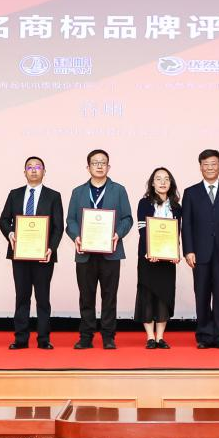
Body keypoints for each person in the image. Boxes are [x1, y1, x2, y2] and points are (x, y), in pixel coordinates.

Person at [65, 149, 133, 350]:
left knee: (109, 297)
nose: (99, 166)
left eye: (103, 162)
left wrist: (118, 234)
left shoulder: (118, 190)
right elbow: (70, 220)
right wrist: (76, 236)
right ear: (88, 167)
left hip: (111, 252)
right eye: (95, 163)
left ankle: (108, 336)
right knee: (86, 297)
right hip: (85, 254)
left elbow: (127, 218)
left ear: (108, 167)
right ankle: (86, 336)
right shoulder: (78, 192)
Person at [0, 156, 64, 350]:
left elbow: (58, 226)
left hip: (44, 255)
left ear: (44, 171)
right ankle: (21, 339)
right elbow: (3, 220)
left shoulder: (53, 196)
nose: (34, 170)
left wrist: (51, 248)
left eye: (38, 167)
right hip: (20, 254)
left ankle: (43, 339)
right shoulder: (15, 194)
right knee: (22, 297)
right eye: (29, 167)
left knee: (43, 298)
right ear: (24, 172)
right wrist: (10, 234)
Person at [182, 149, 219, 349]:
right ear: (200, 167)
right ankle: (204, 336)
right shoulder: (190, 192)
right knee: (201, 295)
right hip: (199, 253)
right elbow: (186, 224)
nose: (210, 168)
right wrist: (188, 250)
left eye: (213, 164)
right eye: (206, 164)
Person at [134, 167, 182, 349]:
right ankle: (150, 337)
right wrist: (150, 250)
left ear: (171, 183)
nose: (163, 182)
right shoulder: (144, 203)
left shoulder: (177, 207)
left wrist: (176, 252)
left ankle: (160, 337)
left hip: (168, 259)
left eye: (166, 179)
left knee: (164, 296)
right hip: (148, 257)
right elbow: (142, 228)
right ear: (152, 183)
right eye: (158, 179)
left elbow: (177, 232)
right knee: (147, 296)